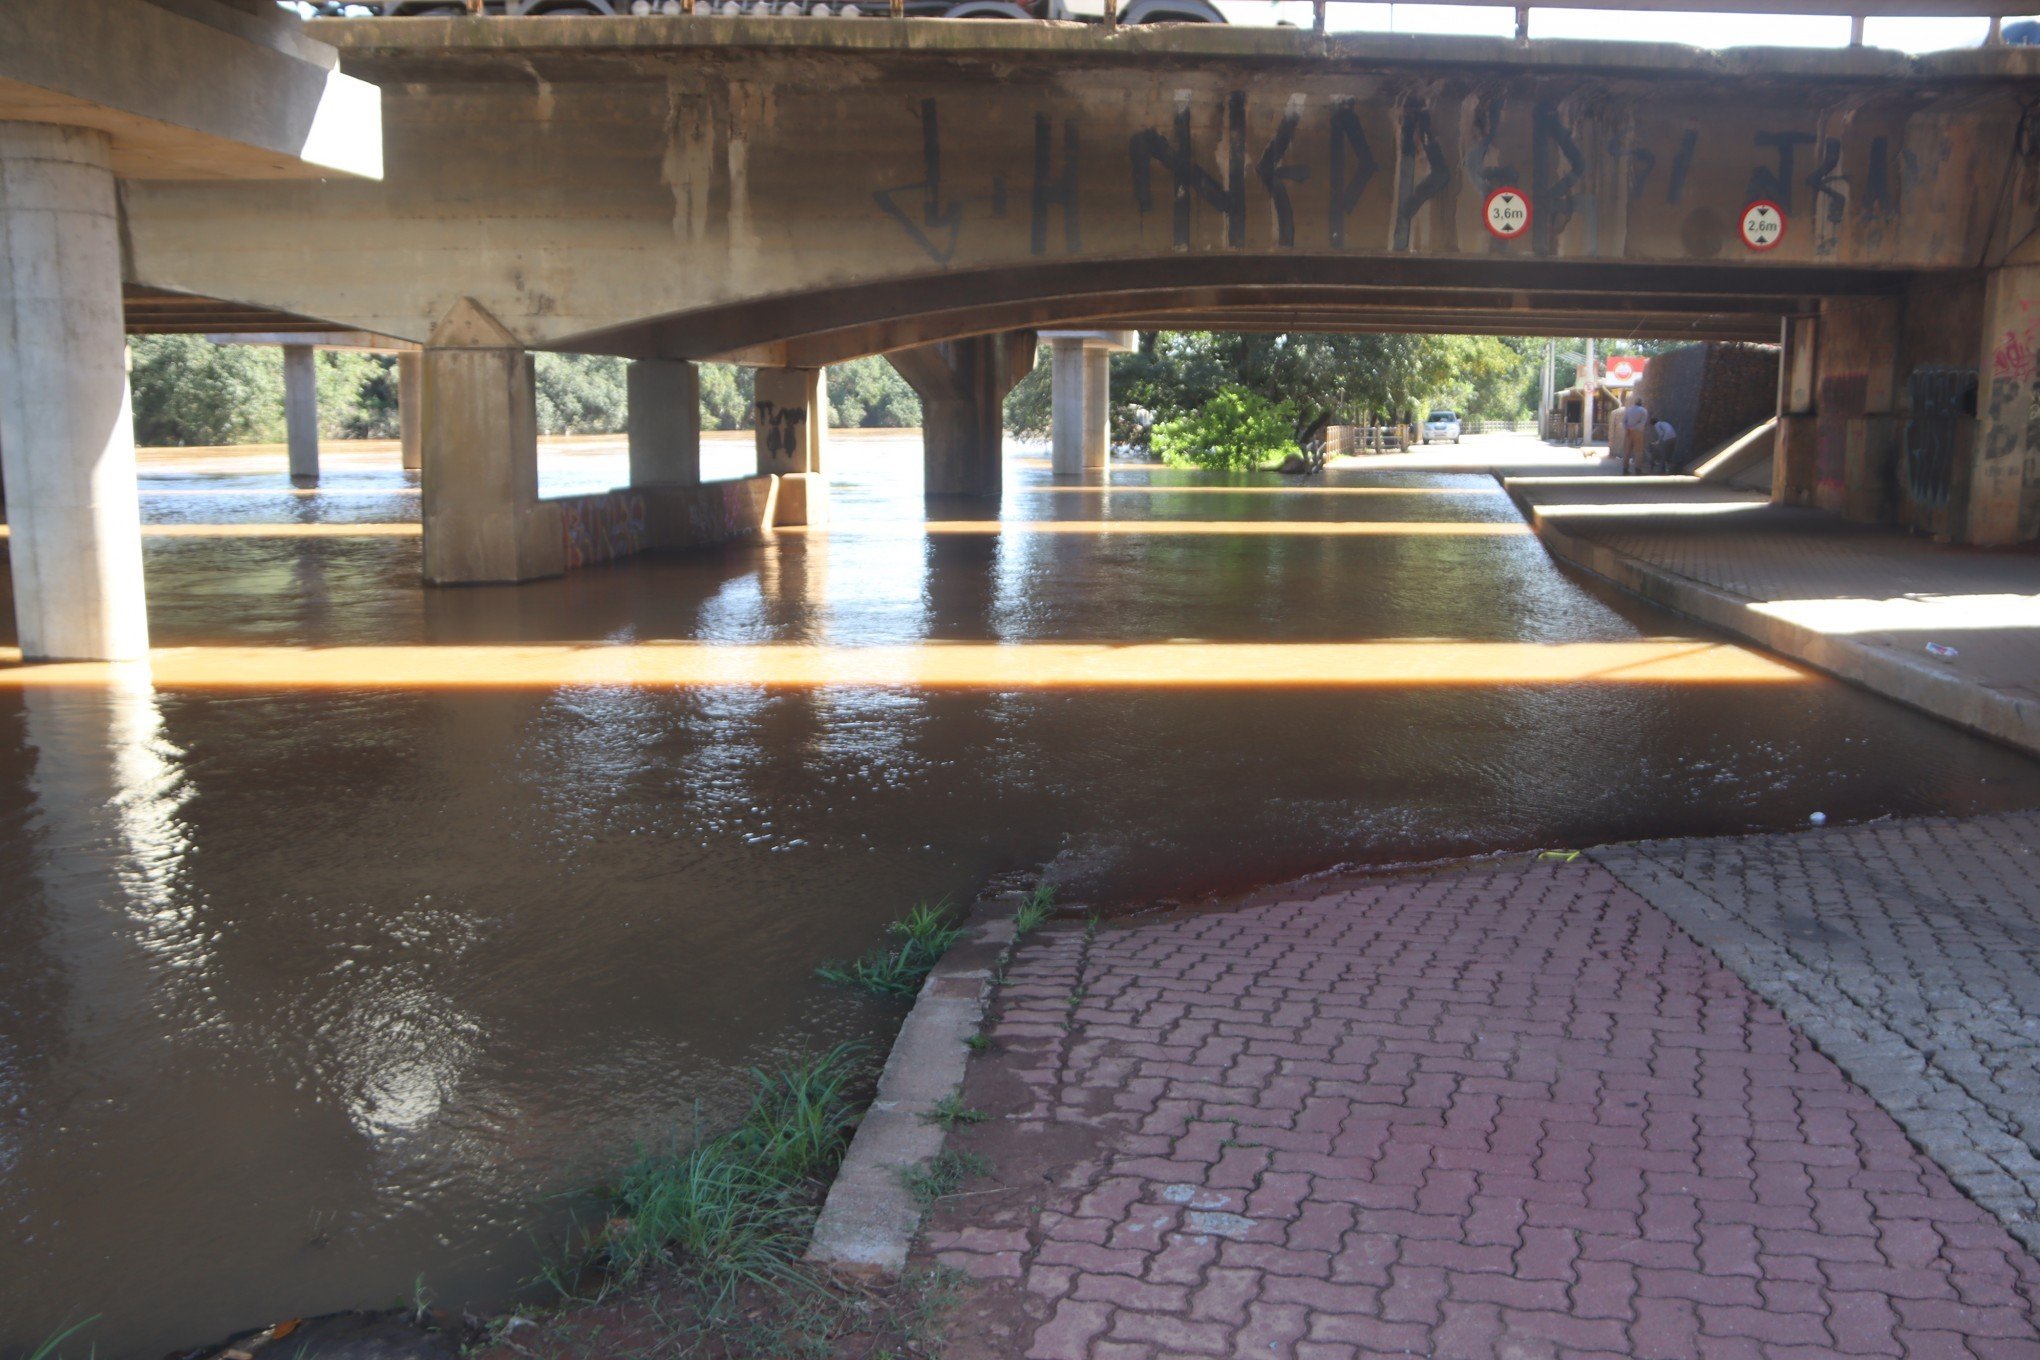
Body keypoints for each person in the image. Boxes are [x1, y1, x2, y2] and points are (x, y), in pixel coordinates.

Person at [1618, 395, 1650, 474]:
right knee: (1638, 451)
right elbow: (1642, 423)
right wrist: (1634, 427)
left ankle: (1625, 469)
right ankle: (1638, 469)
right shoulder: (1643, 411)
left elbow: (1624, 421)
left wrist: (1628, 428)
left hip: (1628, 431)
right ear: (1641, 403)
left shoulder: (1629, 410)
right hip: (1638, 432)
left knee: (1627, 450)